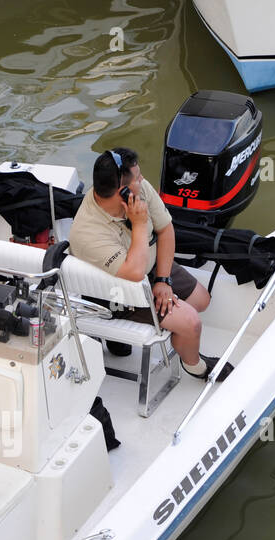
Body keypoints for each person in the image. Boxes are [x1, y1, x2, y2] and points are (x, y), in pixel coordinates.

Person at [67, 147, 232, 382]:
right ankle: (196, 366)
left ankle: (130, 336)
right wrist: (140, 223)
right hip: (118, 289)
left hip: (149, 267)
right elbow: (133, 273)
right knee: (190, 323)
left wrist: (163, 280)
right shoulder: (86, 232)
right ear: (121, 191)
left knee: (201, 301)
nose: (143, 181)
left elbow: (165, 229)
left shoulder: (139, 190)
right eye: (138, 177)